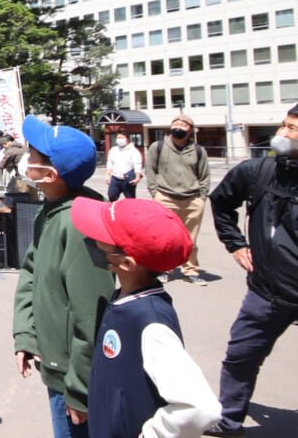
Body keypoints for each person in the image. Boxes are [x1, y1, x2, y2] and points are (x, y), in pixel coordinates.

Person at [71, 197, 221, 438]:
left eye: (103, 238)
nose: (93, 241)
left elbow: (201, 408)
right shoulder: (125, 298)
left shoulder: (151, 321)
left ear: (127, 263)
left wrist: (153, 434)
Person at [12, 115, 115, 438]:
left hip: (73, 378)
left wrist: (80, 388)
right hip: (55, 363)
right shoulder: (51, 209)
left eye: (34, 156)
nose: (25, 160)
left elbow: (91, 313)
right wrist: (26, 333)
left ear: (52, 174)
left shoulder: (81, 223)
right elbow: (31, 273)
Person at [203, 105, 298, 437]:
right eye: (283, 126)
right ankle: (229, 420)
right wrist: (236, 244)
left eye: (292, 129)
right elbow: (222, 201)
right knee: (241, 356)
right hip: (266, 293)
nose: (282, 135)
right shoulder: (258, 171)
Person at [145, 115, 211, 285]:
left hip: (192, 200)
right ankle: (165, 269)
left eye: (183, 124)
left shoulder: (198, 150)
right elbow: (150, 171)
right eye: (176, 123)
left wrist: (201, 198)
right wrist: (155, 193)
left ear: (190, 130)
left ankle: (190, 271)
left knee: (190, 239)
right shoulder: (158, 146)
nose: (179, 126)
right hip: (165, 198)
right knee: (166, 238)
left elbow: (204, 176)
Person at [105, 133, 143, 201]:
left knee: (130, 199)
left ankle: (131, 211)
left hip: (127, 179)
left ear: (127, 139)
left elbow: (137, 165)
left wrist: (137, 177)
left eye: (121, 138)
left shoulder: (133, 151)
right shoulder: (113, 150)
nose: (119, 140)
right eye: (118, 138)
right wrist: (107, 175)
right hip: (115, 178)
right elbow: (110, 163)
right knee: (111, 196)